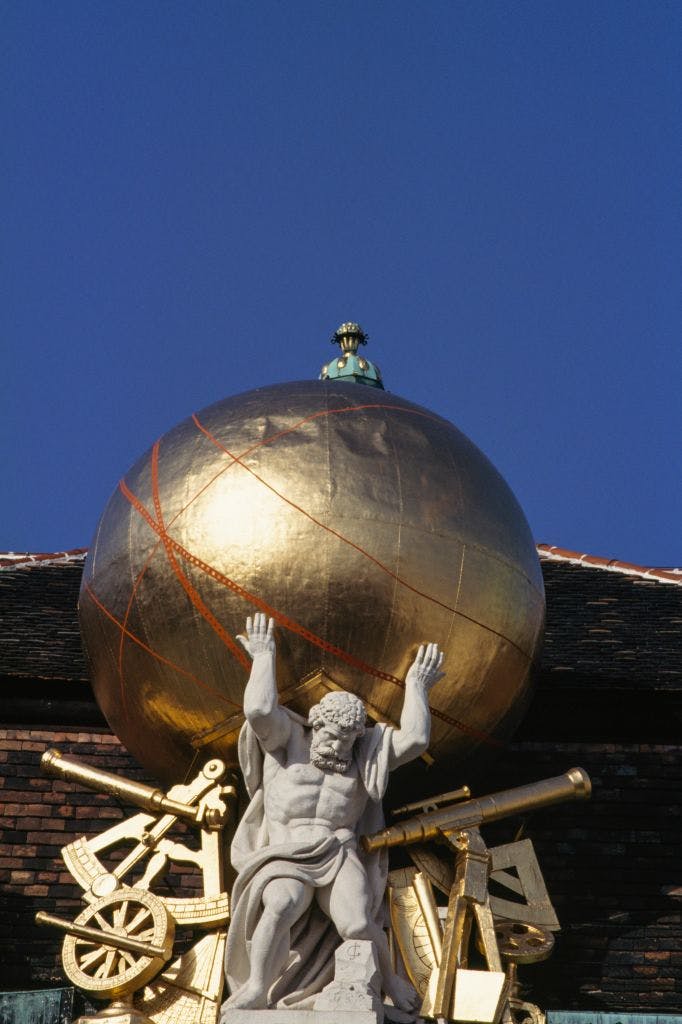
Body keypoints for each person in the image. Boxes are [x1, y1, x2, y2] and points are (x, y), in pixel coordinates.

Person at [222, 612, 444, 1014]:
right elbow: (258, 712)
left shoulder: (363, 757)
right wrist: (263, 655)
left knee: (358, 924)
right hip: (287, 854)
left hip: (339, 851)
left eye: (347, 738)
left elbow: (414, 739)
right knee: (282, 903)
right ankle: (257, 985)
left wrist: (417, 685)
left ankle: (389, 979)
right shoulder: (286, 742)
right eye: (331, 734)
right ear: (316, 723)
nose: (338, 745)